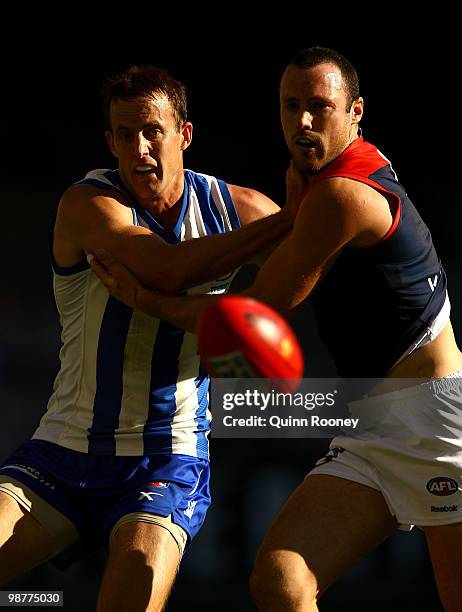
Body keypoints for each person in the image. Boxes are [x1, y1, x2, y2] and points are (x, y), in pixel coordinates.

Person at [89, 48, 462, 611]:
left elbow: (255, 316)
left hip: (438, 423)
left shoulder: (341, 194)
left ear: (355, 112)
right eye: (292, 107)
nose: (304, 122)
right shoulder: (327, 181)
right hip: (374, 422)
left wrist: (146, 298)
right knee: (282, 580)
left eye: (320, 107)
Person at [0, 65, 297, 611]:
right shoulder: (88, 204)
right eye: (125, 135)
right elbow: (165, 270)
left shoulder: (238, 210)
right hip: (64, 448)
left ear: (184, 134)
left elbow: (307, 277)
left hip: (167, 457)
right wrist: (290, 221)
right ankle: (37, 602)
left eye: (153, 131)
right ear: (109, 142)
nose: (140, 148)